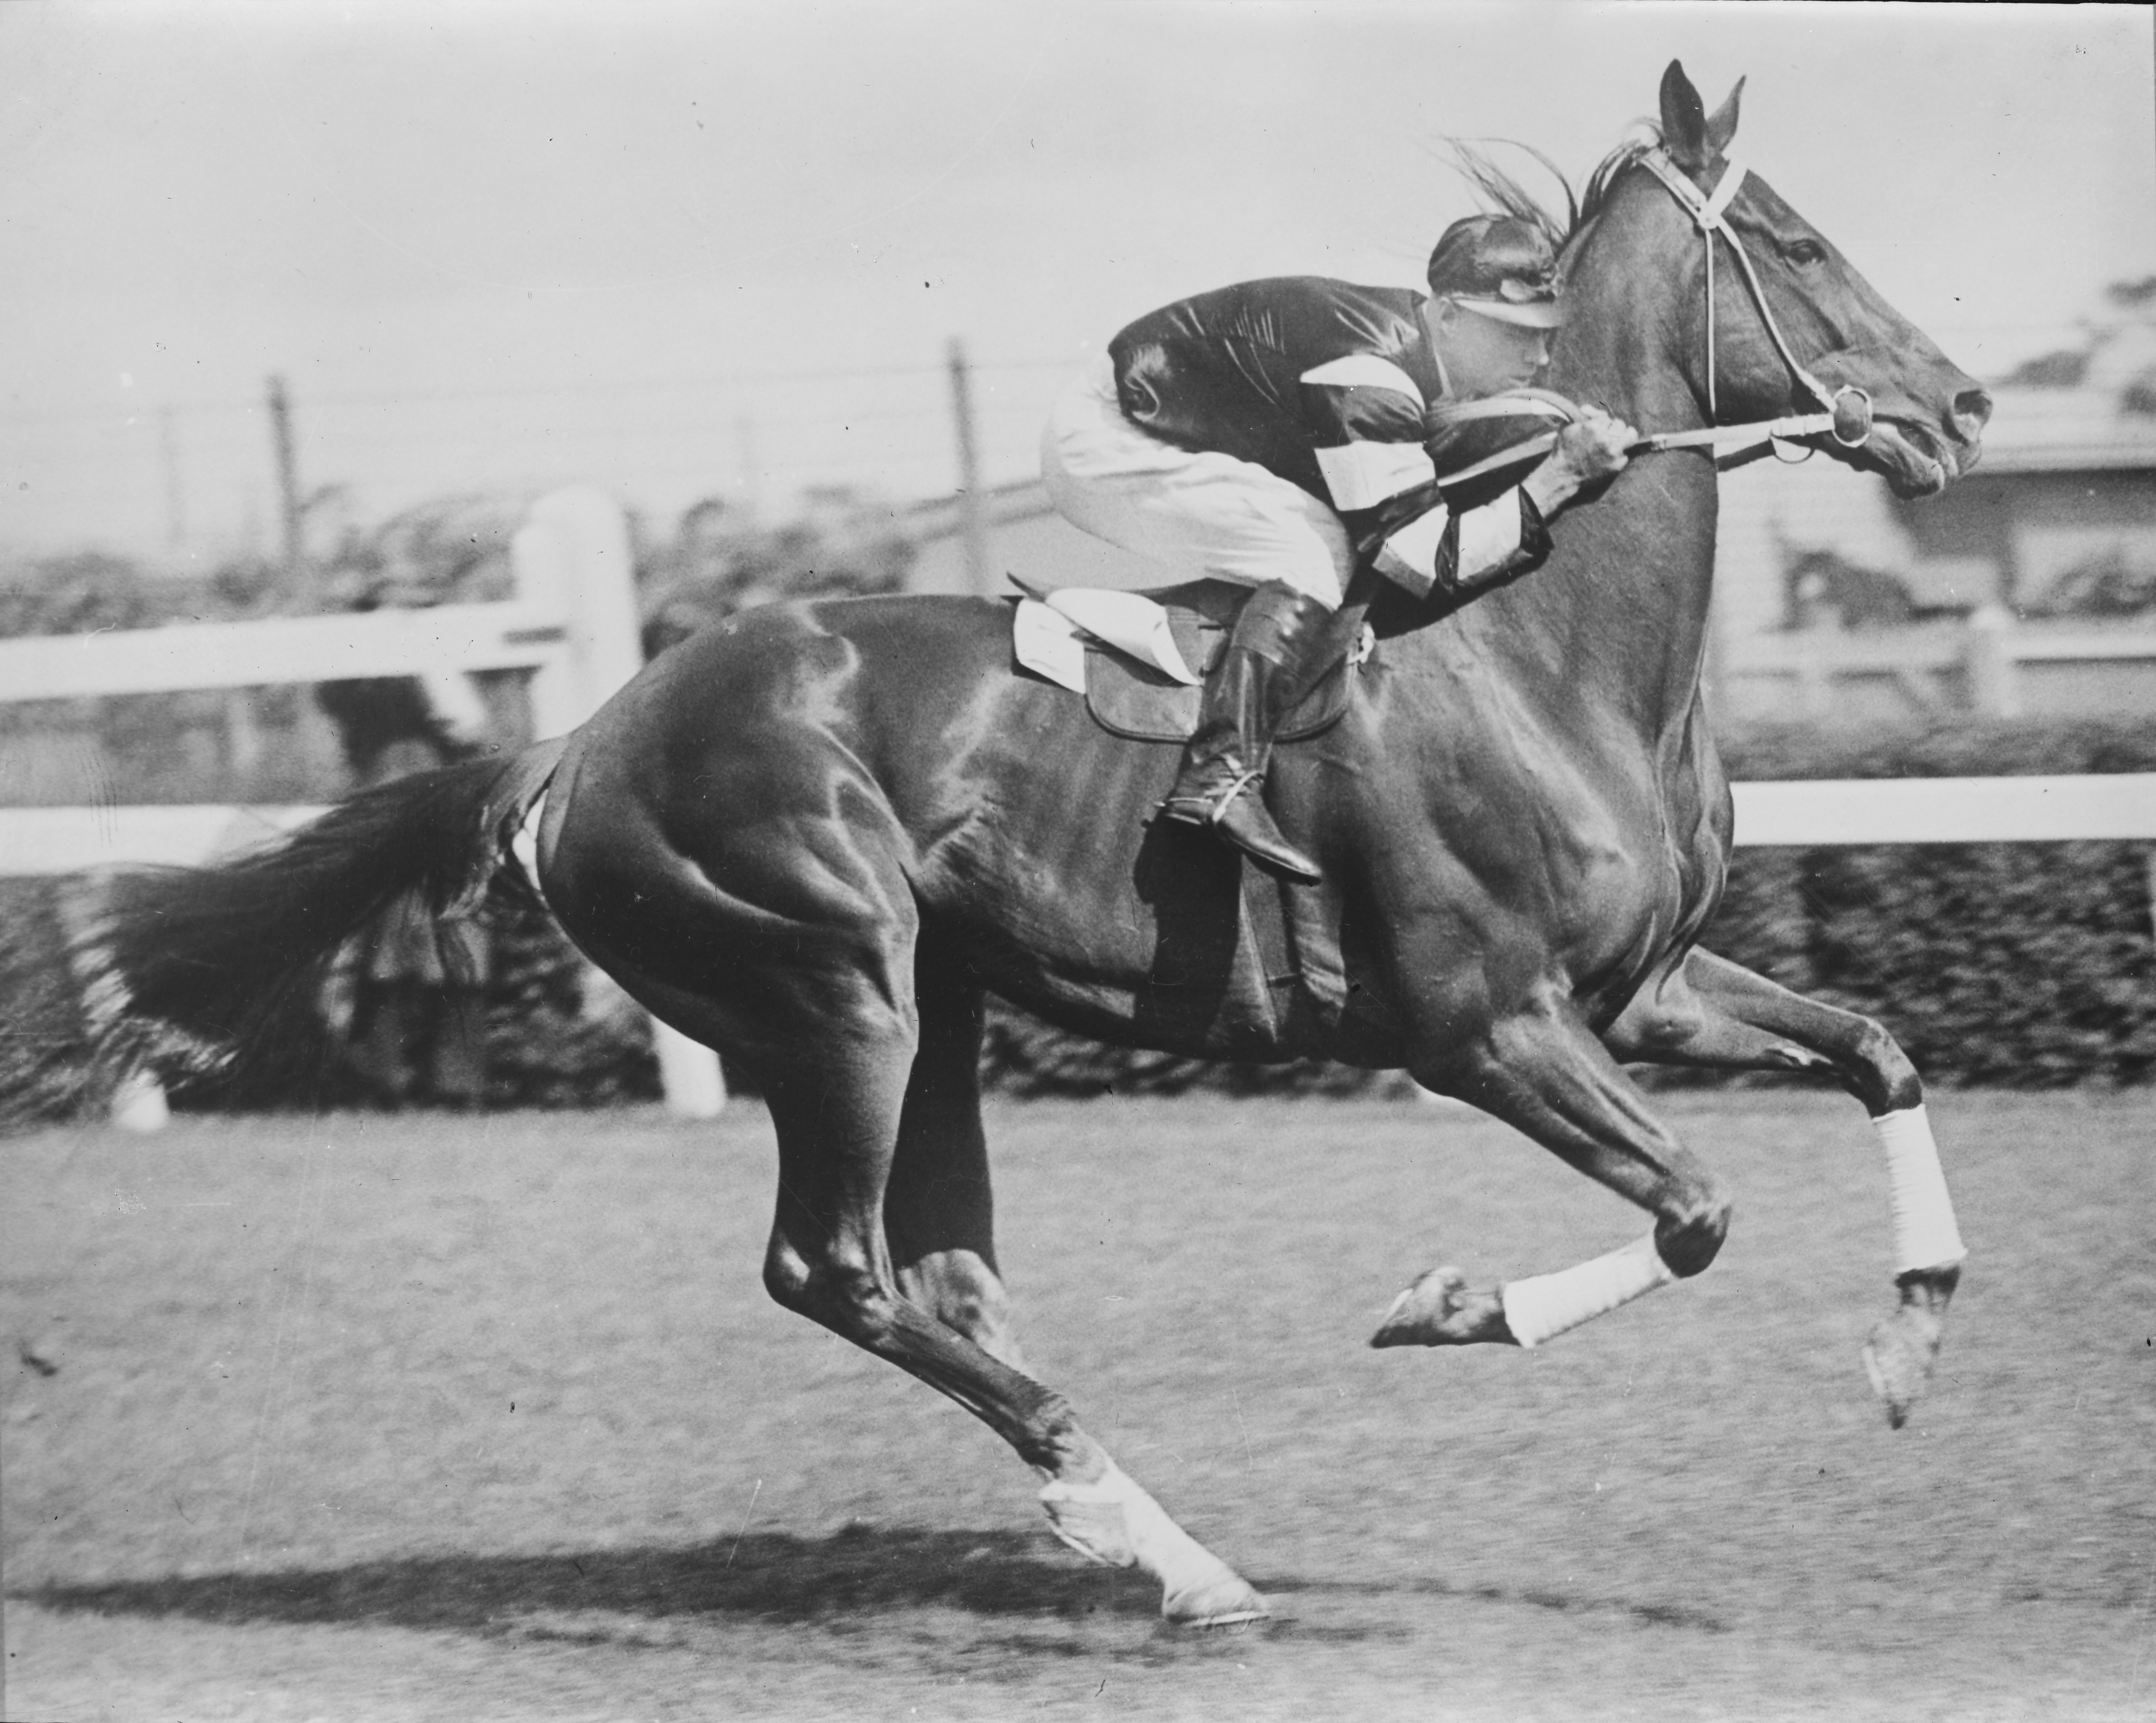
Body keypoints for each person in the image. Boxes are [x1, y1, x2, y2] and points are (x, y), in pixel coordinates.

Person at [1041, 214, 1638, 883]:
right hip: (1107, 439)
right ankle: (1218, 776)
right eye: (1516, 335)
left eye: (1546, 334)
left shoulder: (1413, 353)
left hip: (1171, 421)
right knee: (1316, 550)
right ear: (1444, 318)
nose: (1539, 359)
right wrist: (1560, 477)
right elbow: (1424, 563)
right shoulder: (1368, 377)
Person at [315, 574, 496, 1107]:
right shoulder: (360, 672)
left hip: (447, 805)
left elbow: (468, 728)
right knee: (387, 947)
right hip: (389, 804)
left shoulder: (440, 665)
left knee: (457, 938)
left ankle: (455, 1083)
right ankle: (386, 1078)